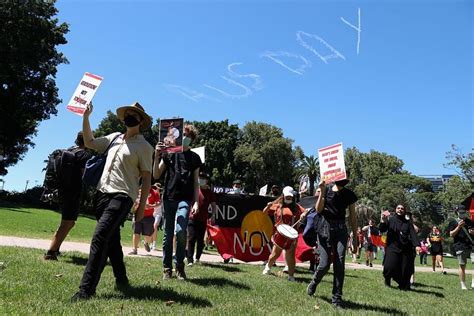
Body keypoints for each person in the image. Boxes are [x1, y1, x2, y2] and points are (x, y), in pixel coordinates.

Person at [71, 102, 153, 301]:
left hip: (123, 196)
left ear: (141, 121)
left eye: (134, 114)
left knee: (100, 236)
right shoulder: (114, 138)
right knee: (112, 238)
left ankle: (86, 290)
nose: (130, 116)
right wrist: (86, 117)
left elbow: (147, 180)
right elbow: (89, 142)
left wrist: (140, 210)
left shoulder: (145, 147)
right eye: (128, 113)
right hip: (102, 194)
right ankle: (121, 278)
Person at [153, 124, 202, 280]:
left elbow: (196, 182)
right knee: (168, 234)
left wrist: (196, 202)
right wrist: (156, 155)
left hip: (185, 199)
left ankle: (179, 265)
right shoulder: (169, 153)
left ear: (191, 139)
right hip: (169, 197)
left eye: (187, 135)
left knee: (181, 231)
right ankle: (167, 268)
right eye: (183, 134)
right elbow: (156, 174)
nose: (184, 137)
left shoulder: (195, 158)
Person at [306, 178, 358, 309]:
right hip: (324, 229)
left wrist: (355, 239)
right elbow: (318, 210)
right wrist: (322, 191)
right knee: (324, 265)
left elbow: (353, 217)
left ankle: (337, 299)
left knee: (339, 263)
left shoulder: (349, 195)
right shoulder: (326, 190)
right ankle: (314, 282)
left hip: (341, 230)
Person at [44, 132, 92, 260]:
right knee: (67, 222)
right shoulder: (83, 154)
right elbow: (85, 175)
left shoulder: (69, 150)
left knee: (69, 222)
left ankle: (56, 247)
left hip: (60, 190)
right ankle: (51, 252)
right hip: (72, 191)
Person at [262, 186, 306, 281]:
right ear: (283, 196)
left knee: (290, 255)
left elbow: (305, 212)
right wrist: (268, 206)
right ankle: (268, 267)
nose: (289, 199)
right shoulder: (277, 205)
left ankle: (291, 276)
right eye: (287, 197)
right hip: (280, 233)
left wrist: (303, 214)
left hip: (292, 235)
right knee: (275, 254)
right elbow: (264, 213)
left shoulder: (297, 207)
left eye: (290, 197)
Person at [379, 205, 420, 291]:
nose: (400, 210)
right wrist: (383, 220)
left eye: (402, 209)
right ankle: (387, 279)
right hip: (392, 247)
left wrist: (417, 245)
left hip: (404, 248)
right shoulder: (391, 220)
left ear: (404, 211)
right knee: (389, 266)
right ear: (395, 209)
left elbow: (413, 234)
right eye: (398, 208)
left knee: (404, 269)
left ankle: (403, 284)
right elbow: (382, 229)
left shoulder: (408, 223)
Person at [186, 172, 217, 266]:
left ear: (207, 180)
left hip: (203, 219)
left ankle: (197, 258)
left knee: (200, 240)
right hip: (192, 217)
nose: (201, 179)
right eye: (200, 178)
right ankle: (189, 260)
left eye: (203, 178)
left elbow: (214, 205)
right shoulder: (193, 189)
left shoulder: (209, 193)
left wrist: (213, 215)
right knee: (191, 238)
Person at [447, 205, 474, 290]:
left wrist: (472, 232)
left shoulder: (470, 221)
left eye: (463, 212)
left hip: (471, 245)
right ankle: (463, 285)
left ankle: (473, 283)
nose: (462, 214)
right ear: (457, 212)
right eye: (460, 212)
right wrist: (458, 226)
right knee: (462, 265)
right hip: (460, 246)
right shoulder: (453, 222)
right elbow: (451, 234)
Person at [129, 187, 159, 255]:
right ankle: (134, 249)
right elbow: (134, 201)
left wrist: (150, 206)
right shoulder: (138, 191)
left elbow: (158, 203)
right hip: (138, 215)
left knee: (148, 234)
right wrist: (135, 205)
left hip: (149, 216)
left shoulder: (154, 192)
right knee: (136, 232)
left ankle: (146, 243)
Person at [151, 184, 163, 251]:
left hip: (158, 214)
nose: (155, 189)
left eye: (156, 188)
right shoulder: (152, 195)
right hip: (151, 213)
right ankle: (150, 243)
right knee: (151, 228)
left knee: (154, 226)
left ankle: (154, 244)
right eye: (154, 188)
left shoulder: (161, 197)